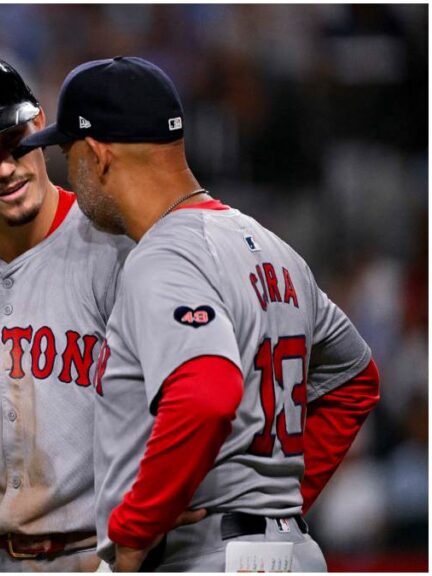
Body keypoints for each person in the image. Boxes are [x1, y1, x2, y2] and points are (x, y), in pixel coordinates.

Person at [22, 56, 381, 572]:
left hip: (205, 557)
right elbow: (355, 381)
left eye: (66, 152)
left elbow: (205, 394)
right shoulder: (273, 250)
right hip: (291, 553)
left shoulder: (163, 257)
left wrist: (133, 533)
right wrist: (277, 503)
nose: (68, 175)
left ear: (98, 155)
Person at [0, 53, 132, 571]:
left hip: (98, 553)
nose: (5, 170)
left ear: (39, 127)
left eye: (11, 144)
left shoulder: (117, 252)